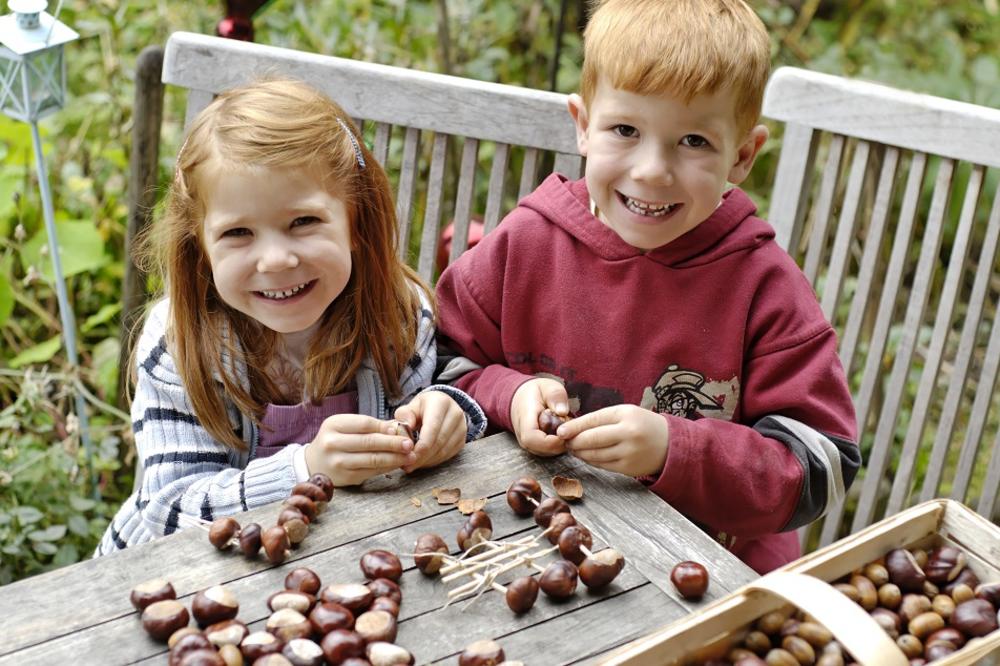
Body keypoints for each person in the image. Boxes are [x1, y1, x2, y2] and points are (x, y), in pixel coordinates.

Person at [435, 0, 860, 574]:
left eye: (694, 142)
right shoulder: (526, 245)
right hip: (533, 552)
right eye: (625, 130)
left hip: (706, 573)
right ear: (583, 126)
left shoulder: (764, 286)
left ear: (741, 155)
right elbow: (441, 366)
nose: (652, 170)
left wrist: (674, 447)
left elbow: (821, 465)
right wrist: (508, 394)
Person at [97, 79, 485, 555]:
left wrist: (451, 413)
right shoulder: (177, 344)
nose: (275, 260)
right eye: (238, 233)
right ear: (200, 250)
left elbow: (444, 393)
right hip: (162, 580)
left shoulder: (395, 315)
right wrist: (304, 467)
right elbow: (168, 511)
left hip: (329, 561)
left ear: (356, 223)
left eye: (303, 222)